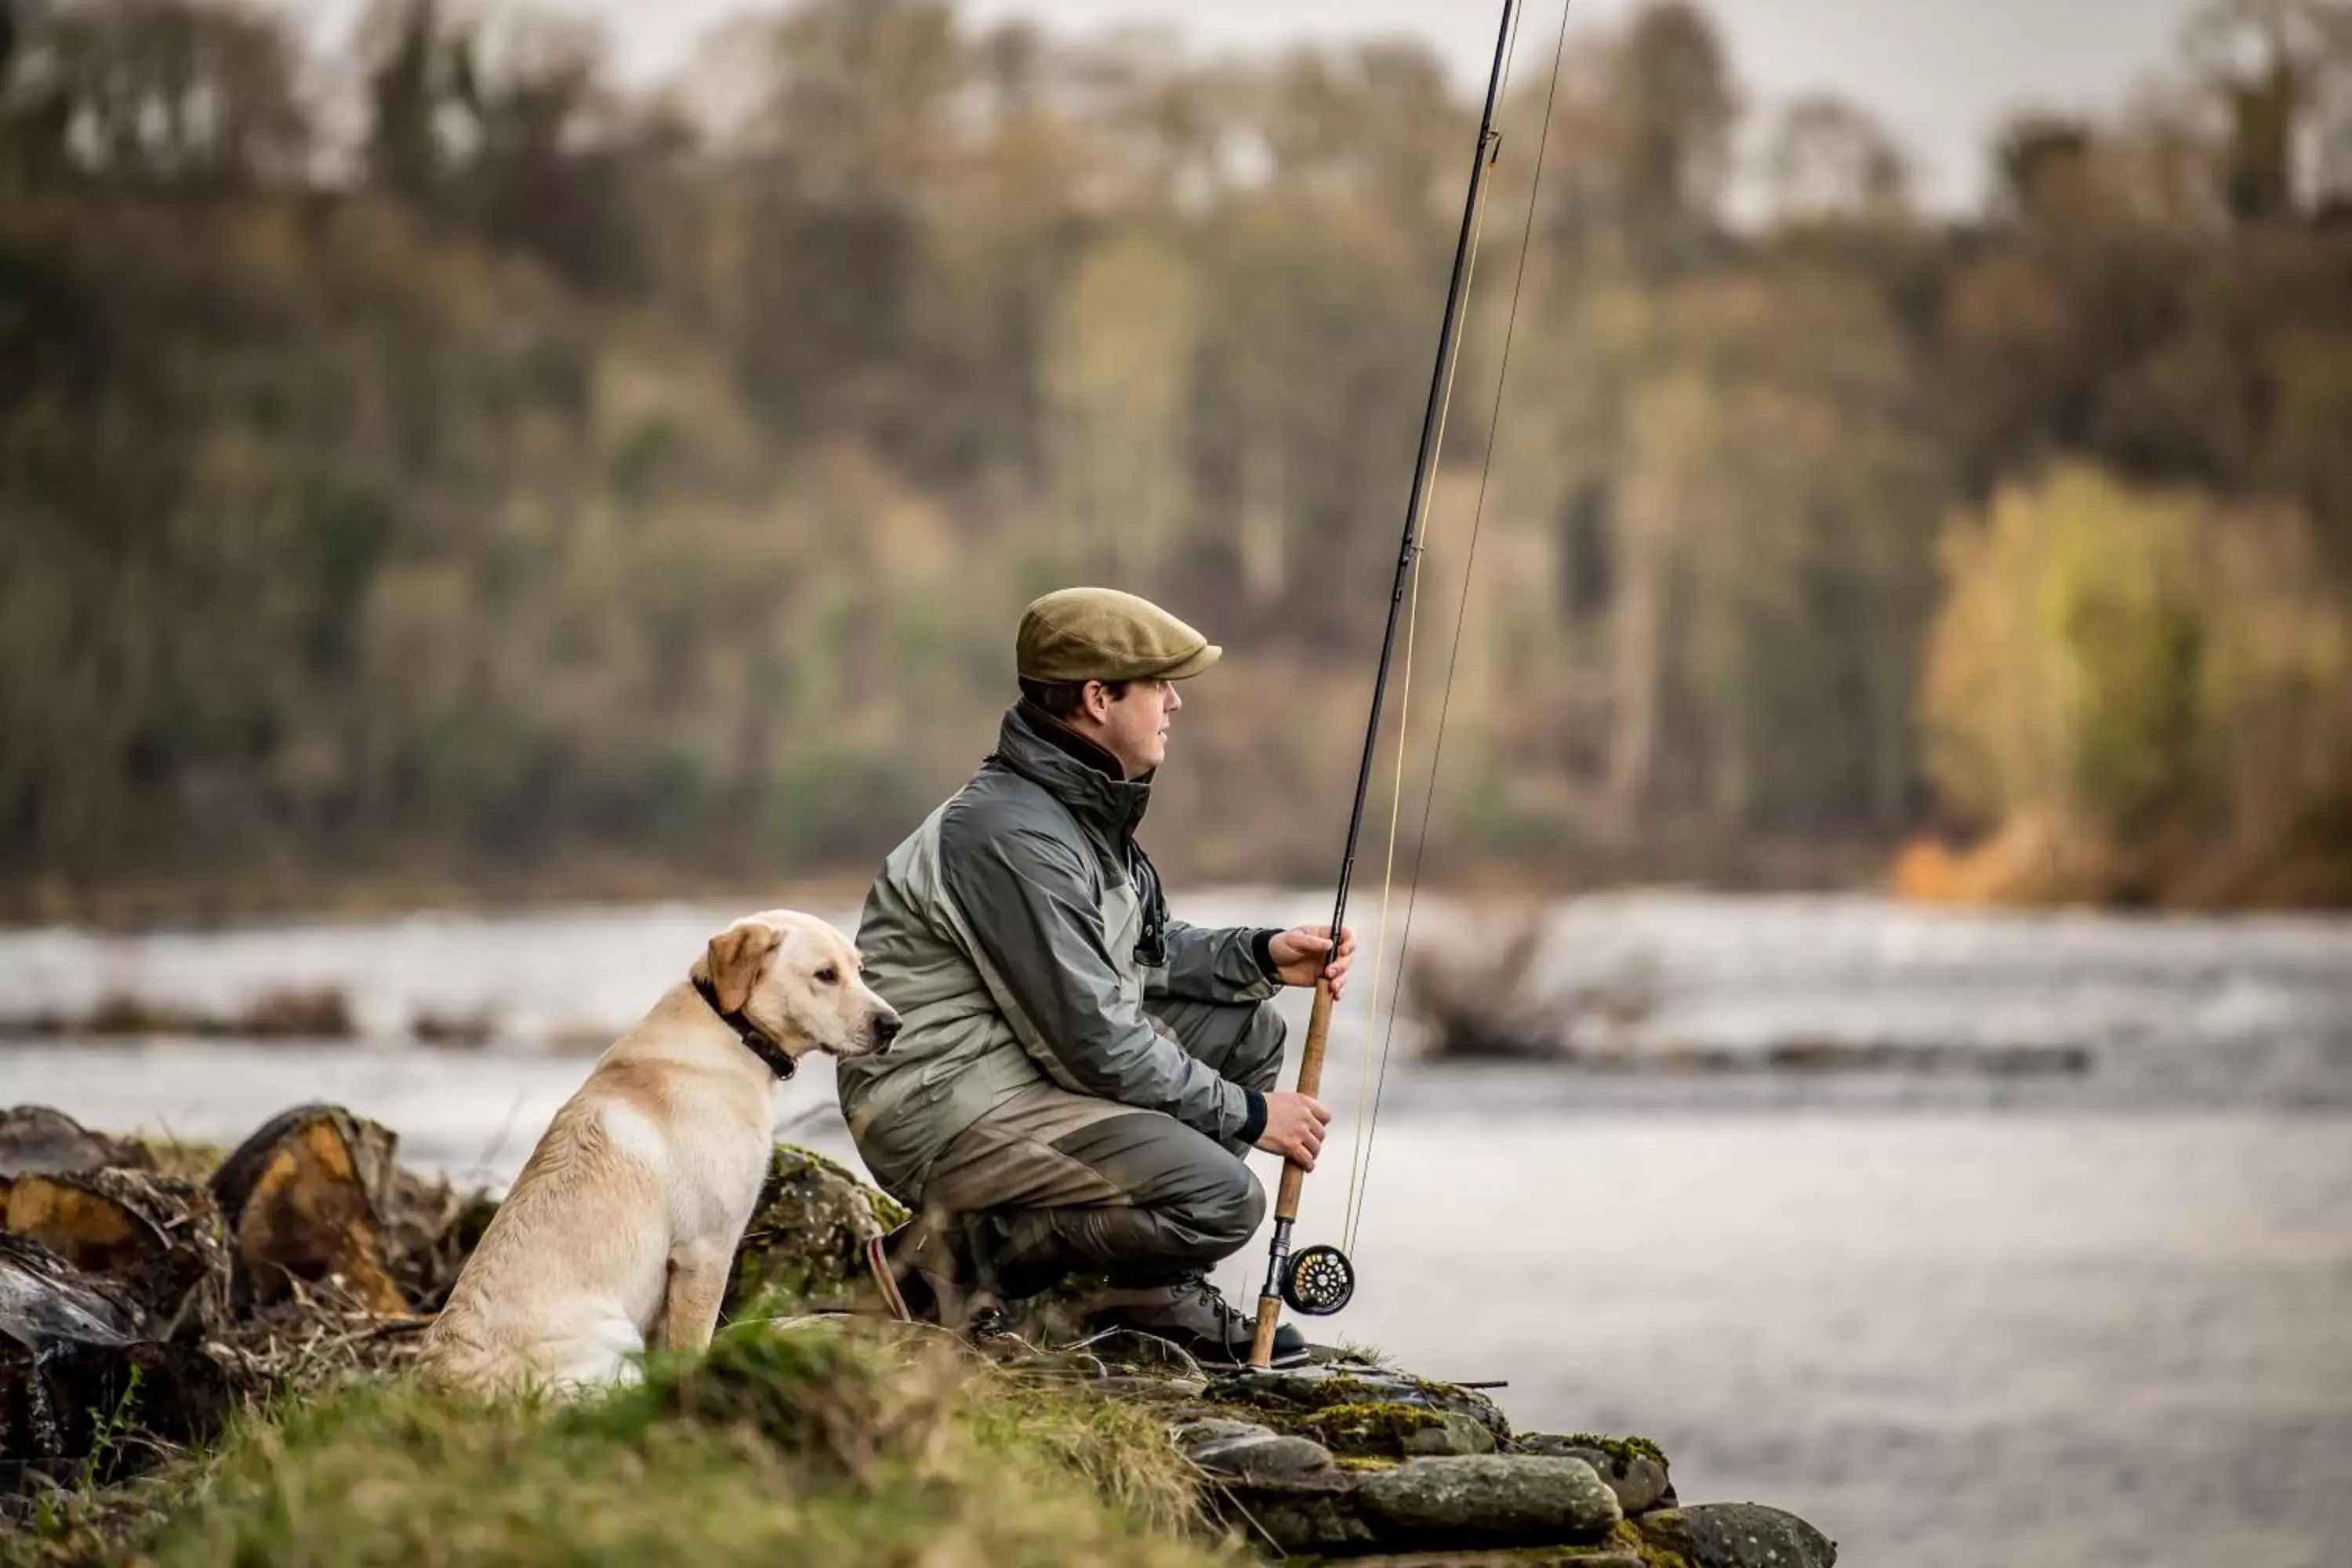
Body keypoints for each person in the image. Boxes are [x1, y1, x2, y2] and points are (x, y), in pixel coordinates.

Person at [840, 586, 1354, 1366]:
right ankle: (941, 1268)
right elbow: (1095, 1040)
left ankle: (1141, 1292)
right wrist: (1251, 1113)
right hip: (939, 1102)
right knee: (1223, 1197)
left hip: (1014, 1066)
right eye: (1159, 684)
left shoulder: (1072, 807)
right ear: (1096, 697)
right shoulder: (1008, 832)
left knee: (1250, 1027)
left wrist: (1258, 953)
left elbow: (1130, 954)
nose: (1175, 702)